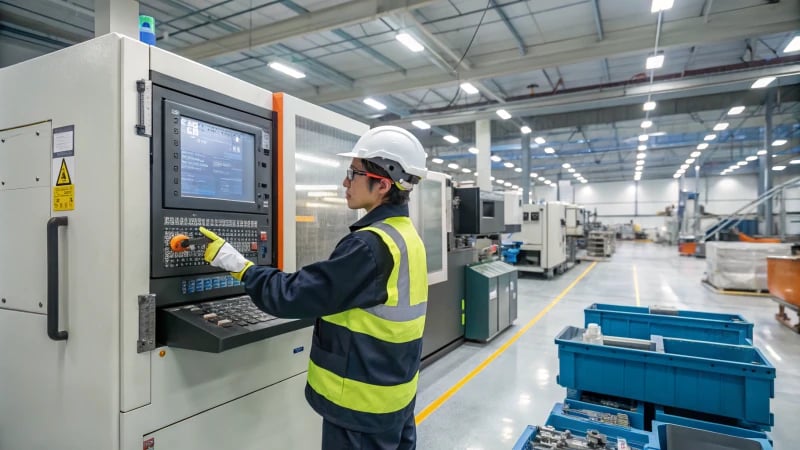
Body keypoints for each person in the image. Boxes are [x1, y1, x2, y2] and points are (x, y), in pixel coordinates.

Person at [198, 126, 429, 449]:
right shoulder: (406, 235)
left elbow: (293, 295)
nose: (345, 182)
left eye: (354, 173)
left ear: (383, 185)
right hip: (396, 394)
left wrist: (240, 266)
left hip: (360, 406)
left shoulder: (370, 246)